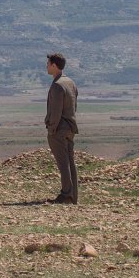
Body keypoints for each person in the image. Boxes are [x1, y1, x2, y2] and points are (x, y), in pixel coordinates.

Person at [44, 52, 79, 204]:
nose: (46, 67)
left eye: (48, 64)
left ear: (54, 65)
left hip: (59, 129)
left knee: (63, 163)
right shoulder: (70, 82)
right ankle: (73, 196)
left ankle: (66, 195)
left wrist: (51, 129)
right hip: (70, 127)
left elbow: (56, 111)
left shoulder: (57, 85)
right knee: (70, 162)